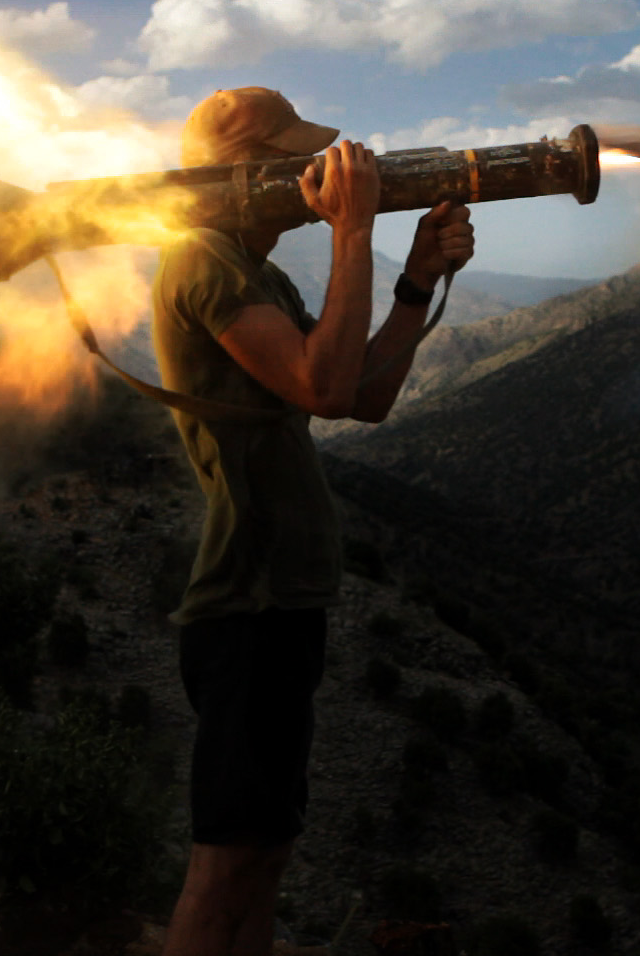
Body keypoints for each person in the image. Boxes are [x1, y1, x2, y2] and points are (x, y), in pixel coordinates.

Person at [152, 88, 475, 956]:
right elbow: (324, 388)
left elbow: (361, 399)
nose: (312, 172)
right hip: (247, 597)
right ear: (241, 173)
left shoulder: (260, 273)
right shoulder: (202, 259)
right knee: (225, 870)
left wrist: (415, 284)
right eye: (291, 158)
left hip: (280, 598)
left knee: (263, 855)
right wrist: (355, 231)